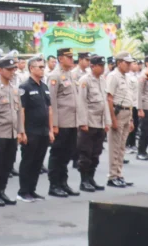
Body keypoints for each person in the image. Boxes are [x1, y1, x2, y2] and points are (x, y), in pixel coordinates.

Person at [46, 47, 82, 198]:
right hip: (61, 123)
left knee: (67, 154)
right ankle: (54, 185)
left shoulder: (71, 75)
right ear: (60, 59)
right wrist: (53, 125)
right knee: (57, 154)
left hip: (72, 122)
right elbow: (51, 102)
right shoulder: (54, 76)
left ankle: (63, 183)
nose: (71, 59)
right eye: (68, 57)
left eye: (72, 56)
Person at [0, 57, 23, 207]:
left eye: (13, 69)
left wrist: (21, 131)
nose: (12, 72)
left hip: (12, 133)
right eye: (9, 69)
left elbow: (19, 111)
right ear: (0, 70)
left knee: (8, 165)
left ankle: (2, 191)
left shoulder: (14, 89)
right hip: (0, 133)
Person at [17, 57, 52, 202]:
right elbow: (22, 111)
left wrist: (50, 130)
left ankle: (32, 190)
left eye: (43, 67)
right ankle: (23, 191)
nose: (43, 69)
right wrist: (22, 131)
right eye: (39, 67)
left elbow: (49, 109)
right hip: (31, 131)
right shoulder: (25, 87)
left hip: (43, 131)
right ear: (31, 68)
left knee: (38, 162)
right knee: (28, 161)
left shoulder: (44, 87)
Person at [76, 55, 109, 193]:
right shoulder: (85, 80)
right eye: (100, 66)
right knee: (86, 153)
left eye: (103, 65)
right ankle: (84, 181)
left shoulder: (102, 80)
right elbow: (81, 102)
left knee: (96, 153)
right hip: (89, 122)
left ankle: (91, 178)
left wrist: (107, 121)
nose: (102, 68)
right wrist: (83, 122)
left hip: (100, 123)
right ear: (92, 66)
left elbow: (105, 101)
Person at [105, 52, 136, 189]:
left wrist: (131, 119)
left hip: (126, 112)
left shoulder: (127, 77)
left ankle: (119, 174)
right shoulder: (113, 76)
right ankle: (112, 176)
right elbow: (109, 99)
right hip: (117, 113)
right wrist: (112, 119)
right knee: (115, 148)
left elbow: (129, 98)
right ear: (119, 63)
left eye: (130, 63)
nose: (129, 65)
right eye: (127, 63)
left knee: (122, 147)